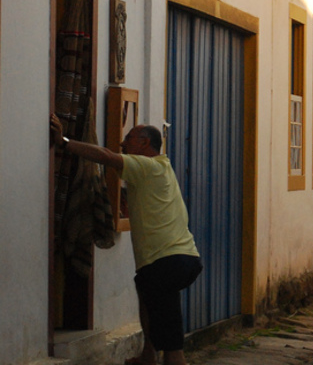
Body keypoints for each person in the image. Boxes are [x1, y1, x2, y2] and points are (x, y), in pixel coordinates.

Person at [50, 115, 201, 365]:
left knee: (172, 344)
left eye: (128, 138)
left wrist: (64, 142)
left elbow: (107, 157)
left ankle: (167, 357)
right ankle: (148, 356)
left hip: (166, 261)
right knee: (145, 291)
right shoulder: (160, 168)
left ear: (144, 143)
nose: (122, 143)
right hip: (177, 260)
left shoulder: (147, 166)